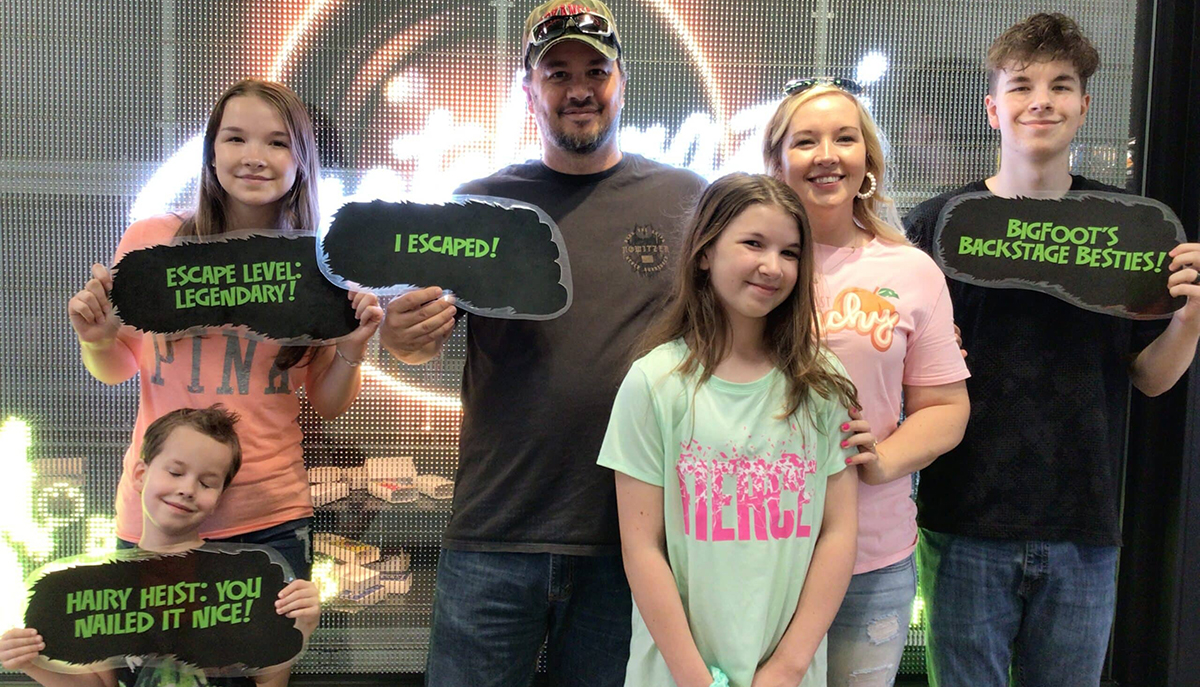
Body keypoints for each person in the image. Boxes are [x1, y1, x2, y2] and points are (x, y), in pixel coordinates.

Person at [378, 1, 706, 684]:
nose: (579, 88)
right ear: (529, 92)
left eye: (596, 69)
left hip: (632, 536)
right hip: (497, 525)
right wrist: (401, 334)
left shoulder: (688, 201)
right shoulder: (476, 206)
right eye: (557, 73)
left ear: (623, 81)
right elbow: (413, 345)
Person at [903, 13, 1200, 686]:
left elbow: (1151, 379)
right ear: (992, 108)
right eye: (1021, 85)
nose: (1041, 100)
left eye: (1061, 85)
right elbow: (897, 377)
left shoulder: (1132, 232)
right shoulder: (936, 225)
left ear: (1084, 105)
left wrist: (1190, 321)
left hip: (1084, 530)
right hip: (961, 524)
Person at [65, 79, 382, 581]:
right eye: (235, 138)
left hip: (270, 515)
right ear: (211, 152)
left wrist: (351, 347)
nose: (254, 156)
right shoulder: (153, 243)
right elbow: (116, 369)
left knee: (264, 661)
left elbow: (328, 402)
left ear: (301, 160)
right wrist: (98, 338)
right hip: (158, 508)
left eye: (277, 143)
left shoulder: (324, 264)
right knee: (153, 662)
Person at [598, 172, 858, 687]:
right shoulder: (654, 382)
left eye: (790, 252)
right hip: (675, 672)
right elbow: (642, 545)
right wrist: (695, 677)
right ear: (704, 251)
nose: (772, 266)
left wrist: (787, 668)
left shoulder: (823, 383)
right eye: (754, 243)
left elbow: (839, 532)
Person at [761, 80, 970, 686]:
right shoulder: (748, 259)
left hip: (871, 557)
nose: (826, 154)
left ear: (868, 160)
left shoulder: (909, 270)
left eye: (844, 138)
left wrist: (883, 460)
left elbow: (945, 406)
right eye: (805, 141)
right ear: (777, 162)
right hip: (753, 546)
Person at [0, 405, 321, 687]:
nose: (187, 489)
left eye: (207, 482)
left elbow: (268, 681)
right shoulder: (103, 586)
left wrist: (297, 630)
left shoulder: (241, 582)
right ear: (140, 474)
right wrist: (30, 662)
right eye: (175, 471)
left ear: (218, 498)